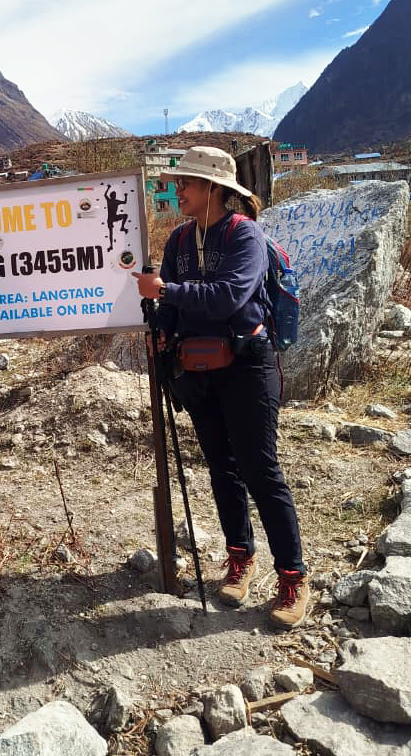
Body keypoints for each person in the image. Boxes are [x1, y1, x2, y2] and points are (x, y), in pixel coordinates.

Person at [133, 146, 309, 629]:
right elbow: (170, 307)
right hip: (197, 368)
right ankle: (240, 559)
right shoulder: (179, 240)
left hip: (248, 366)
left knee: (260, 470)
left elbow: (231, 295)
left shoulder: (245, 235)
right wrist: (158, 317)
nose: (177, 190)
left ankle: (293, 577)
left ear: (213, 188)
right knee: (221, 468)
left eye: (185, 183)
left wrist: (167, 291)